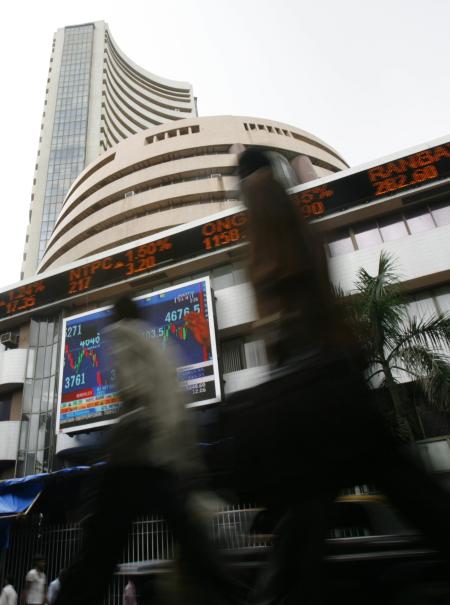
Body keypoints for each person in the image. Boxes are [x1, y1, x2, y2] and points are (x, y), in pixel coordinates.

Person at [230, 149, 450, 605]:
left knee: (306, 524)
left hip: (311, 386)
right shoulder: (295, 214)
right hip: (334, 374)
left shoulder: (262, 214)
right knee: (406, 491)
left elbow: (277, 293)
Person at [55, 295, 243, 605]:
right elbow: (179, 411)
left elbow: (133, 388)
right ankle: (231, 595)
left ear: (117, 315)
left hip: (132, 453)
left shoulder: (121, 335)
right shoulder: (161, 347)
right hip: (165, 458)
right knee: (191, 541)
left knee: (99, 549)